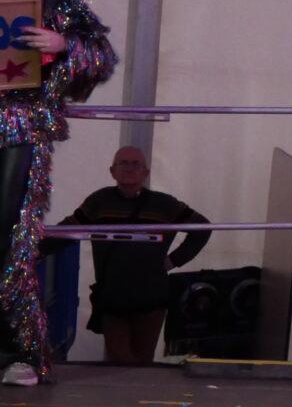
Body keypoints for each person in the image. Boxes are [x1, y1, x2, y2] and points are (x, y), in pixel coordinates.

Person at [0, 0, 117, 387]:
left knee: (8, 233)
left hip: (16, 128)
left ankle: (15, 350)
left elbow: (100, 53)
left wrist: (62, 45)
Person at [64, 146, 210, 365]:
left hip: (152, 298)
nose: (129, 169)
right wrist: (34, 247)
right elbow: (66, 230)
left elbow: (202, 228)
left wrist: (173, 260)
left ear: (146, 172)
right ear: (112, 171)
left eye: (136, 164)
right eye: (123, 163)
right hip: (113, 297)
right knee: (120, 361)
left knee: (142, 364)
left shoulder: (165, 205)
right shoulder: (99, 202)